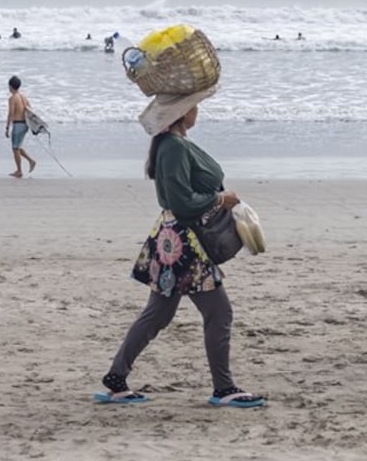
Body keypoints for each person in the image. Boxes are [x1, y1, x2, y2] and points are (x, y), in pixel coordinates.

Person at [96, 86, 265, 409]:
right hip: (184, 243)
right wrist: (220, 199)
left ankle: (116, 379)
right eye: (194, 106)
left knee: (157, 314)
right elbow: (181, 201)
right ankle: (224, 388)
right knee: (219, 312)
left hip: (172, 239)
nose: (197, 110)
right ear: (182, 113)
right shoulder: (173, 147)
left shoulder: (172, 143)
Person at [5, 75, 37, 178]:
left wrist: (7, 127)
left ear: (10, 86)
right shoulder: (24, 97)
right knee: (17, 147)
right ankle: (31, 161)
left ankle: (19, 171)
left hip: (18, 124)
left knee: (15, 148)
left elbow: (10, 113)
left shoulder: (12, 98)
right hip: (25, 125)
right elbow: (30, 110)